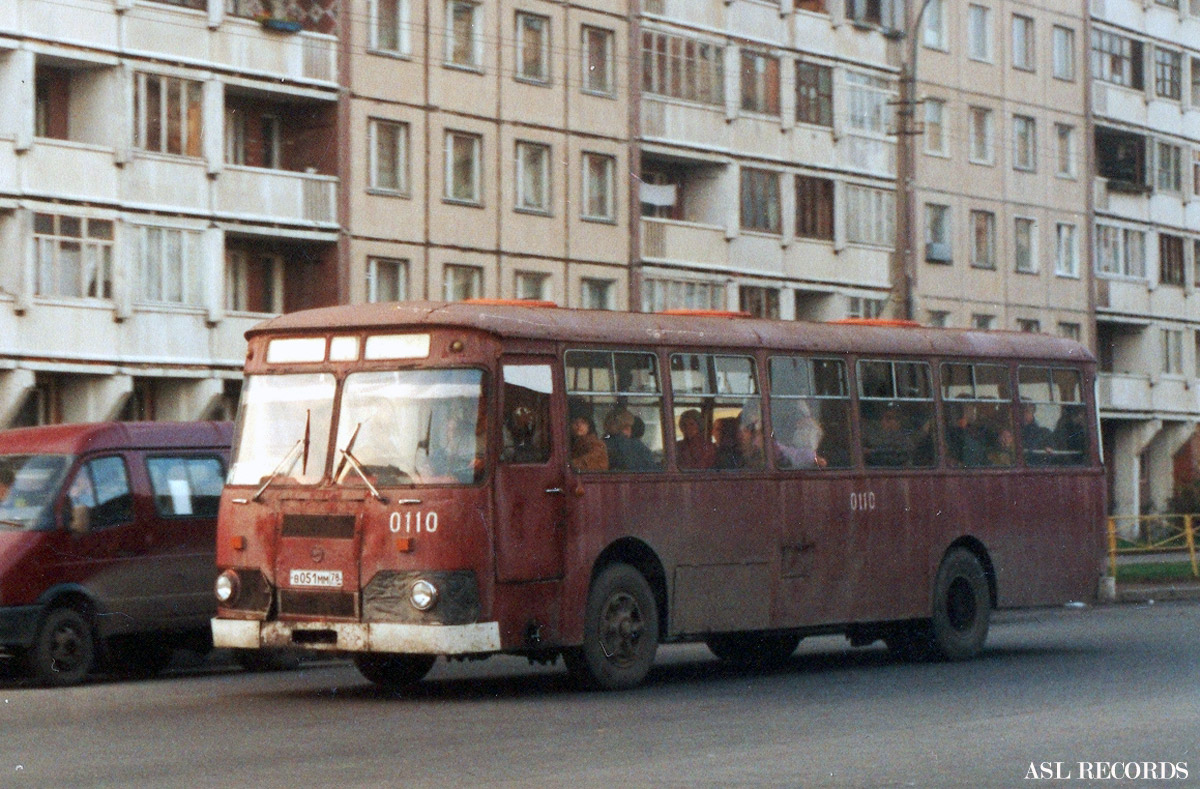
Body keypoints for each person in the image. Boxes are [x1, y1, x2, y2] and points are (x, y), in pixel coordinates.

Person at [568, 400, 608, 471]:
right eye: (575, 422)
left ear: (589, 426)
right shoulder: (569, 443)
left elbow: (587, 464)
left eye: (583, 422)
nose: (579, 425)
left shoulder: (596, 445)